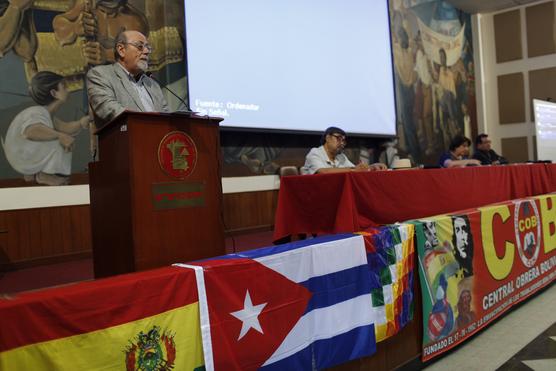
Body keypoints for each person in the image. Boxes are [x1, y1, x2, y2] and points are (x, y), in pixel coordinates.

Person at [2, 71, 90, 186]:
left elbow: (65, 128)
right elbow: (30, 131)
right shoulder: (38, 112)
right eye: (63, 86)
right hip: (20, 156)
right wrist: (60, 136)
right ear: (54, 93)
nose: (68, 89)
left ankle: (32, 173)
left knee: (61, 136)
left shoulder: (46, 114)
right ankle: (45, 176)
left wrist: (81, 123)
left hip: (20, 157)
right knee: (63, 141)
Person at [86, 30, 169, 127]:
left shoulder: (152, 84)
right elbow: (108, 109)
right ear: (121, 50)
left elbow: (167, 117)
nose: (146, 51)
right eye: (140, 46)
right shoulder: (100, 75)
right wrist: (147, 124)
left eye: (147, 47)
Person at [301, 126, 386, 174]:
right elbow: (323, 171)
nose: (342, 143)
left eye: (344, 141)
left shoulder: (341, 156)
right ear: (327, 138)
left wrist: (372, 167)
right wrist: (354, 169)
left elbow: (354, 169)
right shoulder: (315, 153)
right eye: (338, 138)